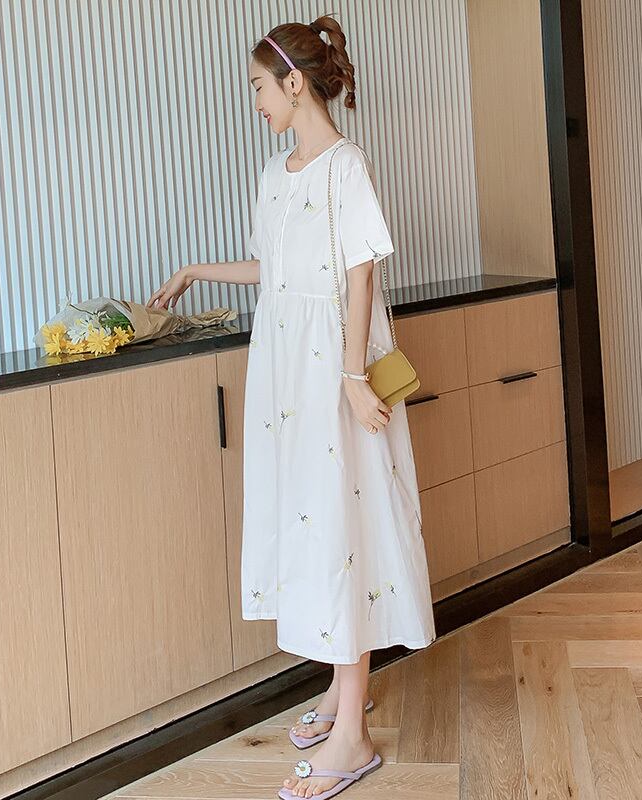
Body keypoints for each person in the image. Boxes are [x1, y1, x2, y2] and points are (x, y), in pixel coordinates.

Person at [147, 15, 436, 800]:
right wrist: (195, 270)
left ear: (294, 83)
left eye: (258, 87)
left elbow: (359, 276)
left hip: (333, 372)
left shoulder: (347, 166)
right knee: (313, 524)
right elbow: (275, 272)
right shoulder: (276, 172)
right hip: (284, 373)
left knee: (344, 525)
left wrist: (351, 378)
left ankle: (353, 740)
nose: (255, 103)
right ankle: (345, 693)